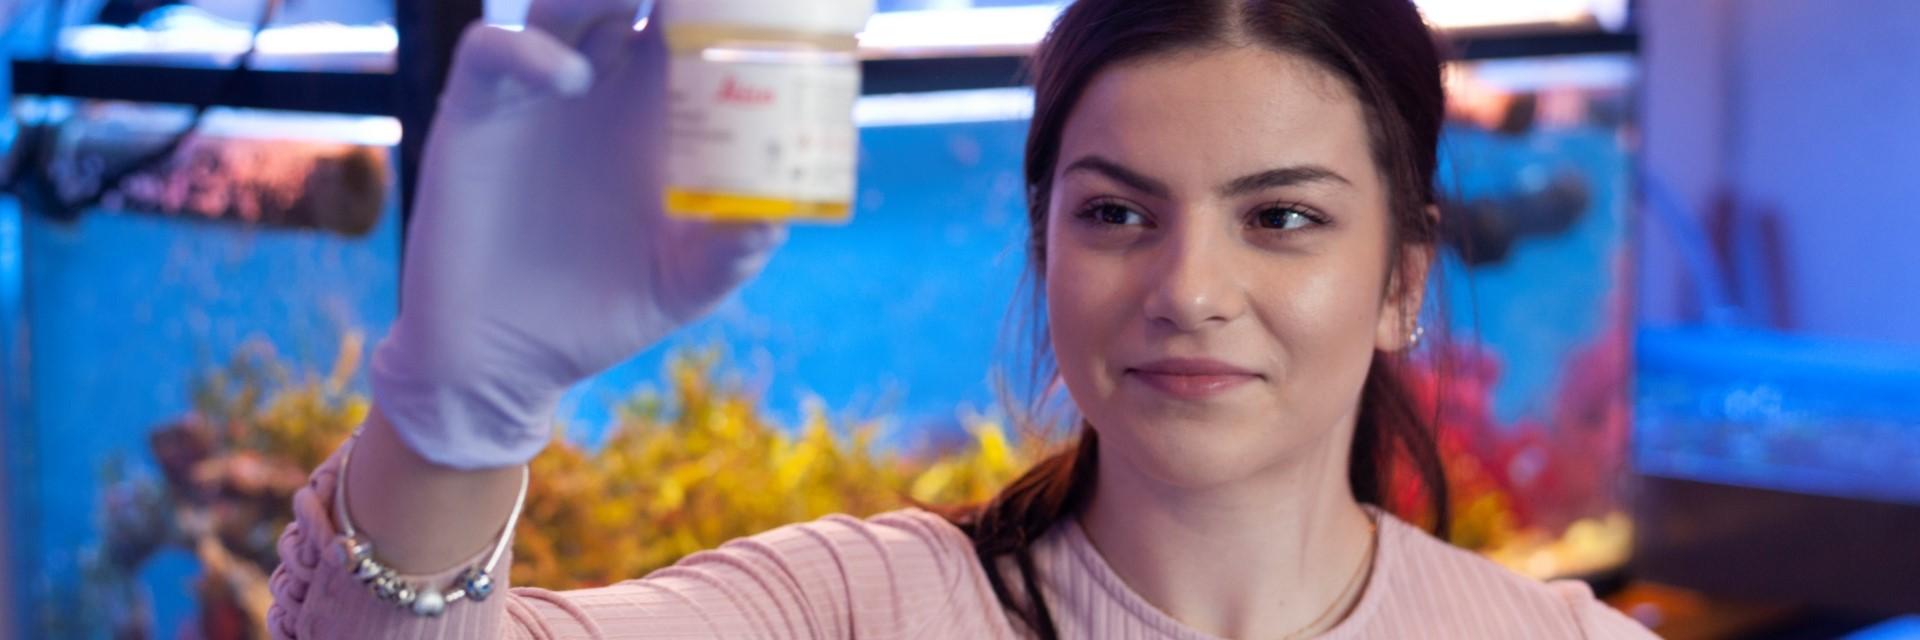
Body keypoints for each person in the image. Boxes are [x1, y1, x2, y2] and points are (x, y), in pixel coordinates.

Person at [267, 0, 1662, 637]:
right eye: (1117, 213)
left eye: (1282, 217)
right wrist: (456, 411)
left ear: (1404, 278)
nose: (1188, 288)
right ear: (1044, 244)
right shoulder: (851, 611)